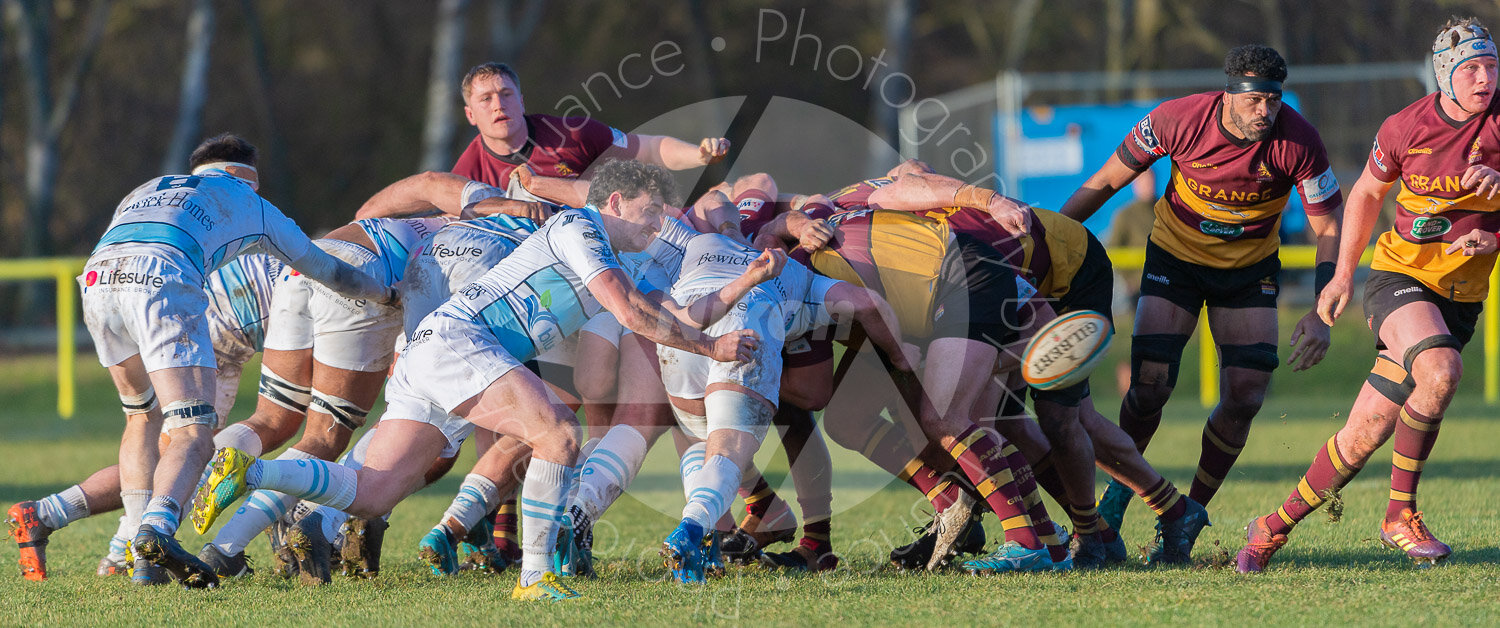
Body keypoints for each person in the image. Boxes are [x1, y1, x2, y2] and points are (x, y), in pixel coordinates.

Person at [192, 160, 769, 601]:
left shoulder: (621, 256)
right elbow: (631, 314)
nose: (659, 226)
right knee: (560, 436)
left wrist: (743, 286)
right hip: (458, 340)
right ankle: (536, 578)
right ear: (615, 201)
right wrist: (710, 347)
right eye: (652, 214)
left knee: (372, 492)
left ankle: (253, 469)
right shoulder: (580, 226)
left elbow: (667, 317)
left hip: (435, 351)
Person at [20, 134, 395, 589]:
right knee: (198, 437)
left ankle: (117, 546)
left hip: (100, 281)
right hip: (174, 294)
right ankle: (154, 535)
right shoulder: (251, 203)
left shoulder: (151, 186)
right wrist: (386, 296)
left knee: (143, 421)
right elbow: (328, 270)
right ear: (246, 179)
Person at [1059, 45, 1344, 559]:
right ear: (1230, 95)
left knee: (1246, 395)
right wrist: (1052, 235)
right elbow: (1104, 182)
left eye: (1273, 101)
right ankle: (1119, 499)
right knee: (1149, 388)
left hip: (1247, 273)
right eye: (1255, 100)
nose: (1266, 111)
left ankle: (1186, 517)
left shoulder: (1298, 140)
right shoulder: (1177, 119)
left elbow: (1327, 224)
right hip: (1176, 262)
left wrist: (1325, 295)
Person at [1236, 17, 1500, 572]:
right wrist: (1342, 275)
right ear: (1445, 76)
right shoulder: (1406, 127)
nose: (1484, 79)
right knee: (1442, 370)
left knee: (1365, 433)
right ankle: (1399, 515)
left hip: (1462, 297)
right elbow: (1364, 195)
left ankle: (1270, 528)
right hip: (1400, 277)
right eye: (1471, 68)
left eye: (1491, 66)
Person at [7, 253, 283, 583]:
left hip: (177, 300)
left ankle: (61, 521)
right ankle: (129, 547)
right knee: (193, 451)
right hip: (215, 313)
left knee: (168, 451)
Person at [453, 62, 729, 207]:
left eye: (505, 94)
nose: (499, 105)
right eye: (486, 99)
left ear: (522, 101)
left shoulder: (573, 133)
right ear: (470, 115)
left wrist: (699, 155)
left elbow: (652, 149)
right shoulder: (466, 173)